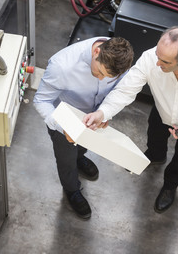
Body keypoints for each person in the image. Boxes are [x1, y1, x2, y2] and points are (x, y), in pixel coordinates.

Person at [83, 26, 178, 213]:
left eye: (164, 61)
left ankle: (170, 186)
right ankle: (156, 156)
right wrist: (103, 113)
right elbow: (126, 90)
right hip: (162, 112)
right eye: (158, 55)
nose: (157, 63)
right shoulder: (151, 58)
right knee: (154, 139)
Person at [34, 36, 134, 219]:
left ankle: (80, 158)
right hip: (63, 121)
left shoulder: (118, 58)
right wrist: (62, 126)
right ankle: (72, 190)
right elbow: (41, 100)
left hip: (92, 118)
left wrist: (104, 112)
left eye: (108, 78)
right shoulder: (62, 65)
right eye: (99, 72)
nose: (102, 78)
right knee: (66, 159)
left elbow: (120, 91)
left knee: (82, 147)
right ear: (97, 52)